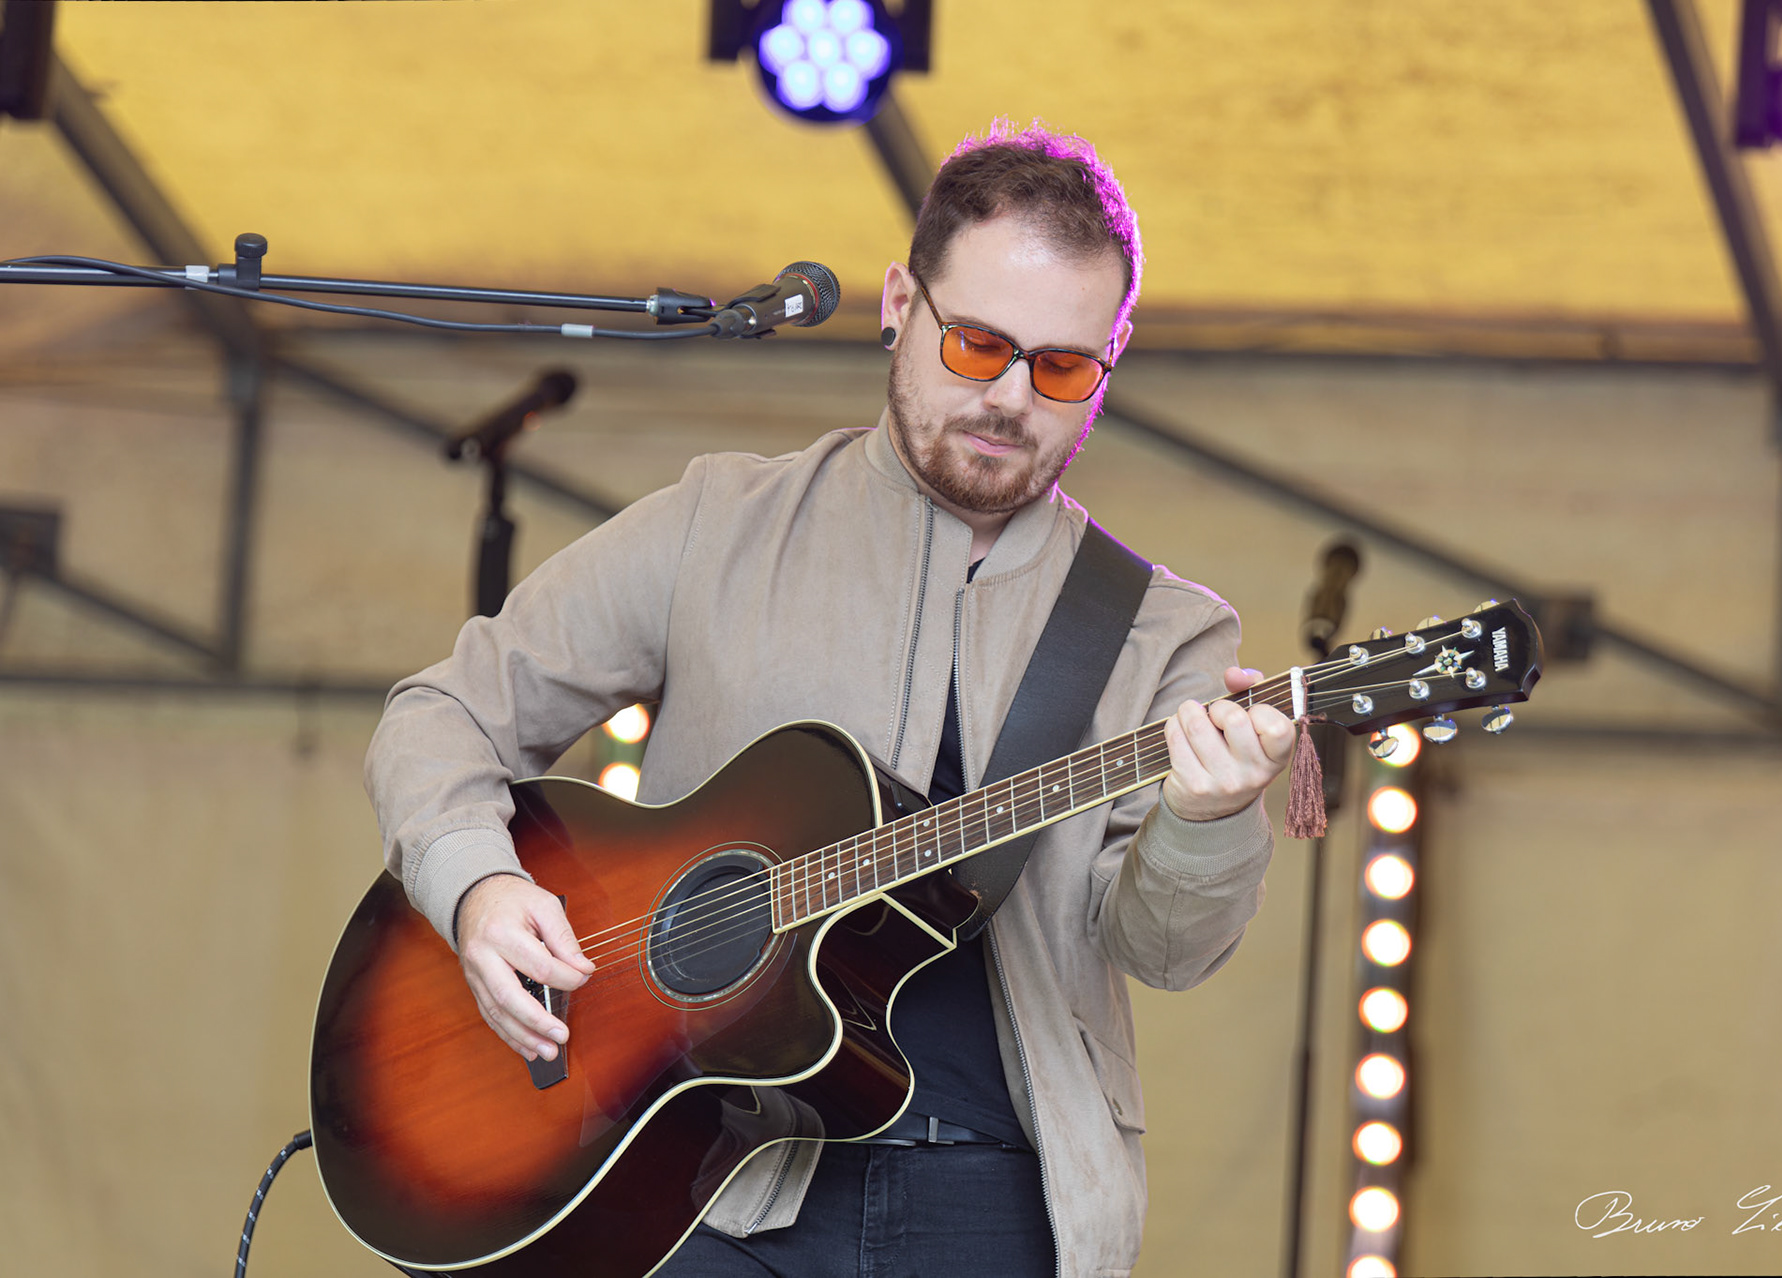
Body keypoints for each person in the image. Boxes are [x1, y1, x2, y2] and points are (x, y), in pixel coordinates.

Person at [364, 120, 1295, 1277]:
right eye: (978, 347)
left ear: (1113, 356)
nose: (1011, 398)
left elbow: (1162, 947)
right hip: (705, 1175)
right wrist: (478, 886)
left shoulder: (1163, 629)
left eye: (1061, 368)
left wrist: (1208, 824)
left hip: (999, 1197)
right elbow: (443, 712)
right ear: (901, 302)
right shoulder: (719, 524)